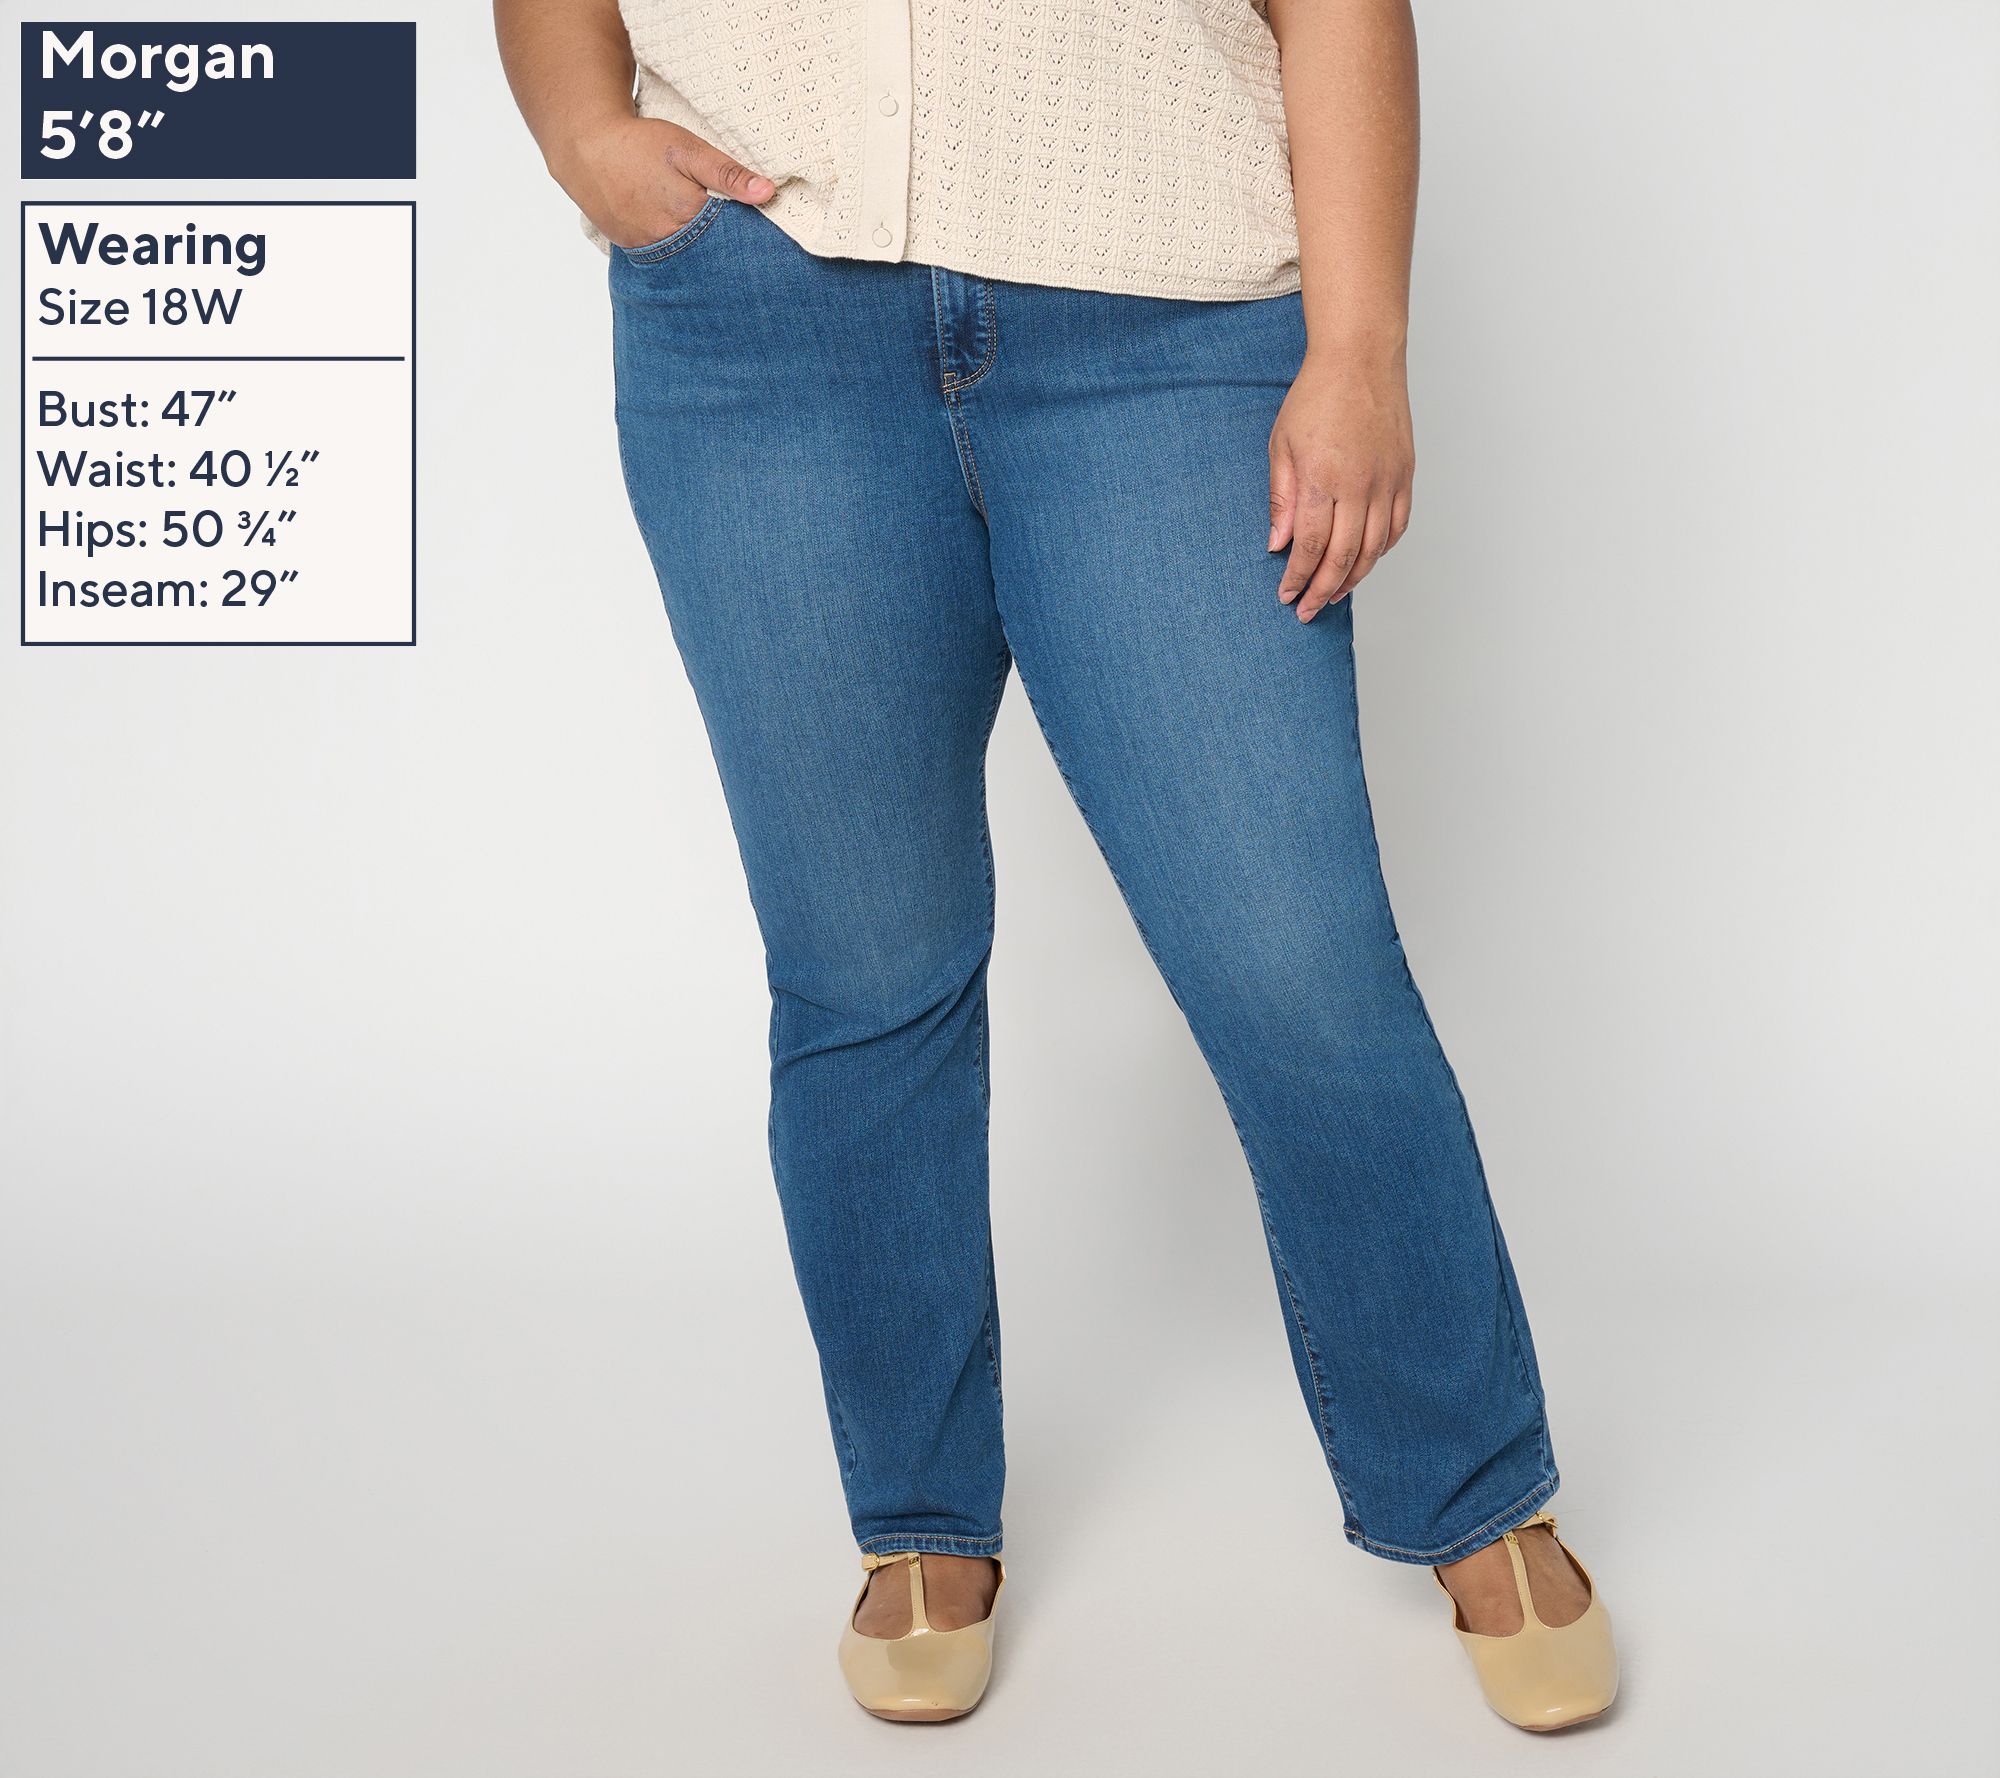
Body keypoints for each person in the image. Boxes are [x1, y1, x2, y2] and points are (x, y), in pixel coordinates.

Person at [495, 0, 1618, 1734]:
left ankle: (1476, 1489)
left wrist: (1359, 346)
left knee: (1293, 957)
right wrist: (584, 132)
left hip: (1166, 324)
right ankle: (919, 1515)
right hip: (763, 326)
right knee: (865, 965)